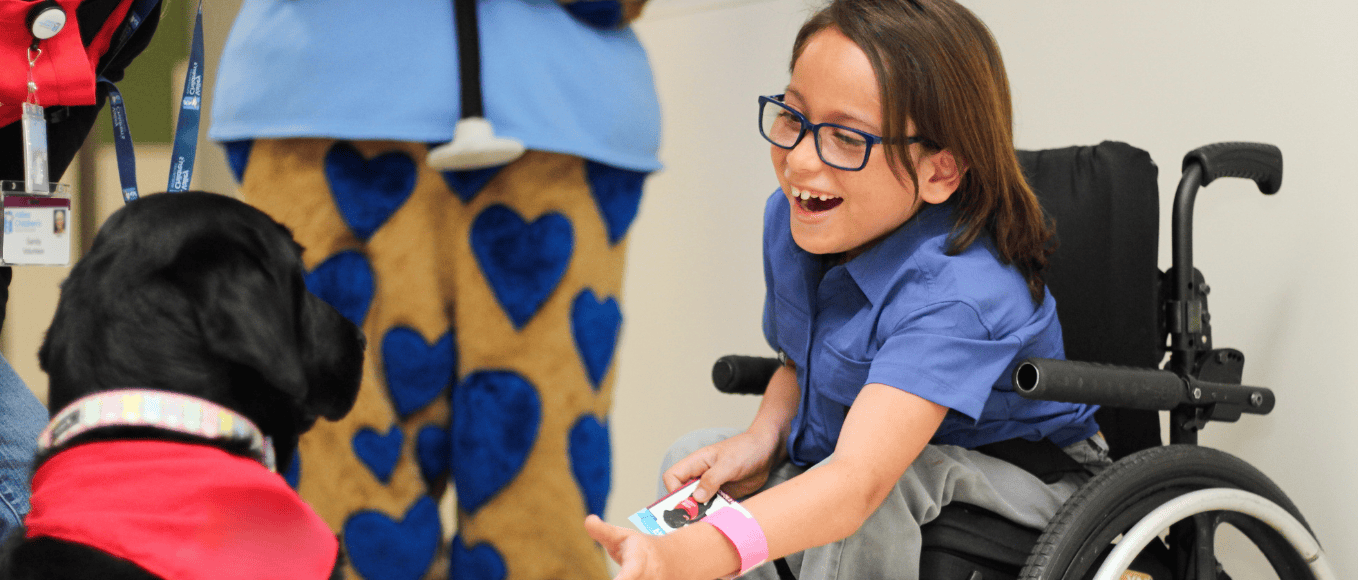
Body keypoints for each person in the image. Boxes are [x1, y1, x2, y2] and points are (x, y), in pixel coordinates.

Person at [584, 1, 1108, 578]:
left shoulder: (960, 294)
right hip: (858, 456)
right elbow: (797, 361)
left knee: (868, 506)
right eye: (792, 117)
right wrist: (763, 437)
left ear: (939, 171)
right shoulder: (797, 224)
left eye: (844, 137)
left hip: (1032, 482)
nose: (800, 161)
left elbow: (855, 484)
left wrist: (679, 556)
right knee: (694, 463)